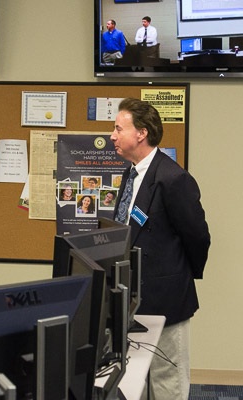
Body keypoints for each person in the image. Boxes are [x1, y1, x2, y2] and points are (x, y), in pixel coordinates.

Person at [111, 98, 210, 400]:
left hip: (167, 301)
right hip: (131, 300)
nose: (112, 135)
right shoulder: (132, 173)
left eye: (118, 128)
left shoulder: (173, 179)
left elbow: (198, 238)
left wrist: (175, 276)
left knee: (168, 384)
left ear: (141, 133)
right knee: (134, 383)